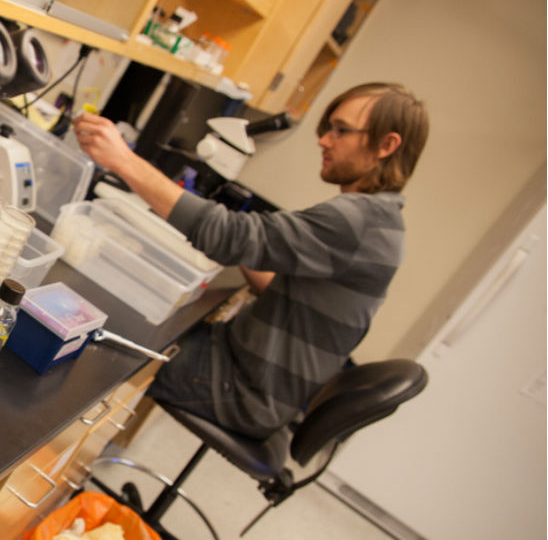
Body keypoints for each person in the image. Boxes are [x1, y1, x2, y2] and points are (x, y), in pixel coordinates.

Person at [72, 83, 429, 439]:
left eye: (341, 130)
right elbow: (283, 286)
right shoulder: (383, 222)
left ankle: (53, 466)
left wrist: (123, 160)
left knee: (104, 339)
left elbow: (225, 236)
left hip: (242, 390)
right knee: (138, 317)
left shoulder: (358, 220)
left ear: (386, 145)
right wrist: (246, 245)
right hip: (255, 375)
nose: (324, 140)